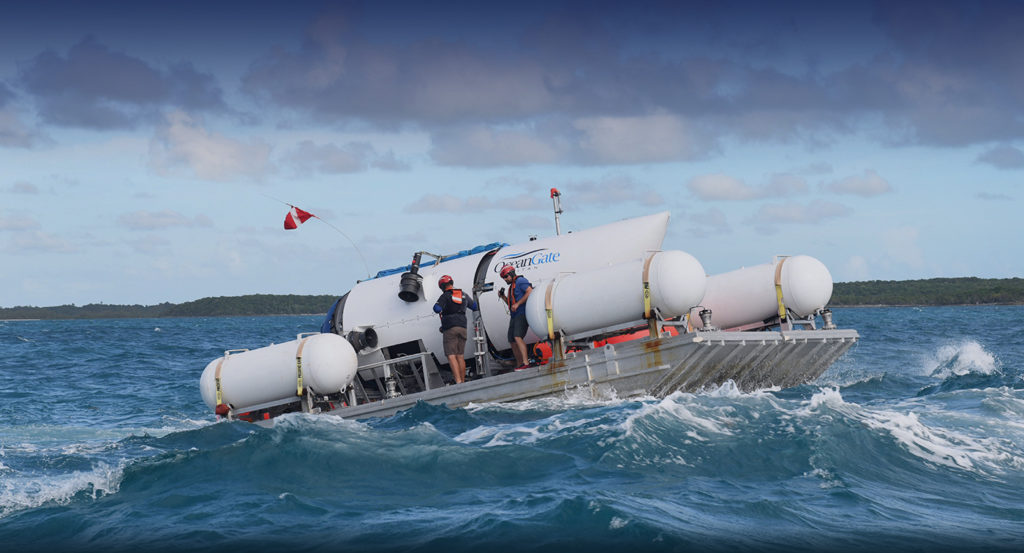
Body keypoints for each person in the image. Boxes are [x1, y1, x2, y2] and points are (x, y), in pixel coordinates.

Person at [433, 275, 478, 384]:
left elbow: (437, 308)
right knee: (460, 355)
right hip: (462, 326)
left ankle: (458, 382)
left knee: (451, 355)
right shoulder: (463, 294)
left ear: (442, 286)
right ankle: (462, 380)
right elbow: (474, 306)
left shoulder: (445, 296)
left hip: (450, 328)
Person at [497, 265, 533, 369]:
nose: (505, 279)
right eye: (503, 277)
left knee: (517, 336)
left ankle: (526, 363)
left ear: (512, 274)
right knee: (512, 339)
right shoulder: (511, 286)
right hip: (514, 315)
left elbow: (529, 291)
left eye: (506, 276)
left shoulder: (520, 281)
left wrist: (518, 304)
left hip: (521, 313)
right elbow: (511, 304)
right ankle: (519, 363)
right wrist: (503, 297)